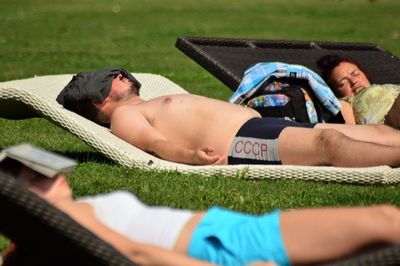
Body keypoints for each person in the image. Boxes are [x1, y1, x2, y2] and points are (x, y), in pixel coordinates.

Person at [2, 147, 400, 266]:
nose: (58, 177)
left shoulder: (43, 239)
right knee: (387, 221)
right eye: (40, 178)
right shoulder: (68, 217)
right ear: (24, 198)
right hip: (228, 245)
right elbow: (134, 253)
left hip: (226, 237)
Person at [57, 68, 400, 167]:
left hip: (262, 127)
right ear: (98, 100)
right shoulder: (123, 118)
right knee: (331, 143)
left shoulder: (151, 101)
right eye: (110, 79)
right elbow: (156, 145)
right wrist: (191, 157)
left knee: (380, 132)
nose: (120, 76)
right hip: (244, 144)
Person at [317, 54, 400, 127]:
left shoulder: (387, 87)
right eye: (342, 83)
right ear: (335, 92)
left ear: (365, 75)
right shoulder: (345, 103)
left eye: (355, 74)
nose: (353, 81)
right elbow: (352, 133)